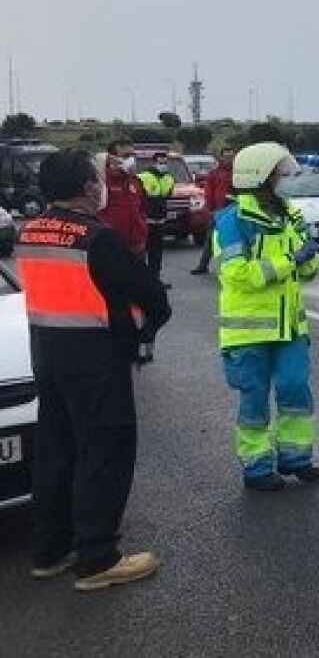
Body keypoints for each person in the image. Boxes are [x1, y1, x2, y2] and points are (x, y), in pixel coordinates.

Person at [16, 149, 170, 591]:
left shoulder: (30, 230)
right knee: (103, 454)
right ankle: (98, 557)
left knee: (57, 453)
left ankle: (51, 550)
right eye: (96, 179)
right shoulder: (95, 238)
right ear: (87, 188)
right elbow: (150, 294)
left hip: (47, 353)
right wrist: (143, 330)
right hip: (96, 358)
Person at [213, 142, 319, 492]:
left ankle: (297, 459)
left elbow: (307, 271)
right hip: (248, 331)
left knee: (295, 390)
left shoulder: (289, 214)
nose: (285, 178)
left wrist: (310, 257)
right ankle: (257, 467)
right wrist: (290, 260)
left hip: (289, 327)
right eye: (279, 173)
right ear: (259, 175)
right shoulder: (233, 221)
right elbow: (238, 274)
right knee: (254, 400)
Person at [98, 140, 148, 266]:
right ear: (112, 159)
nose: (131, 159)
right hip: (111, 246)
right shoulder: (101, 182)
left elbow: (142, 208)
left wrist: (142, 232)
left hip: (136, 246)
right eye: (126, 156)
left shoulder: (135, 181)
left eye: (132, 155)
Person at [191, 146, 236, 275]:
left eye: (231, 157)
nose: (228, 159)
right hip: (218, 211)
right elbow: (208, 192)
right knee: (211, 239)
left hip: (234, 210)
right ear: (221, 157)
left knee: (233, 240)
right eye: (226, 156)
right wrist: (210, 209)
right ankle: (203, 265)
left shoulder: (238, 173)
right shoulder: (214, 173)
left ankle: (230, 267)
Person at [136, 155, 176, 286]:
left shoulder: (169, 179)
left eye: (165, 162)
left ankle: (154, 281)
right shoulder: (143, 177)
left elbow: (167, 196)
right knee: (141, 252)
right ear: (153, 163)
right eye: (160, 162)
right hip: (145, 222)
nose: (163, 165)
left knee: (157, 254)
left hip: (160, 222)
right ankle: (141, 281)